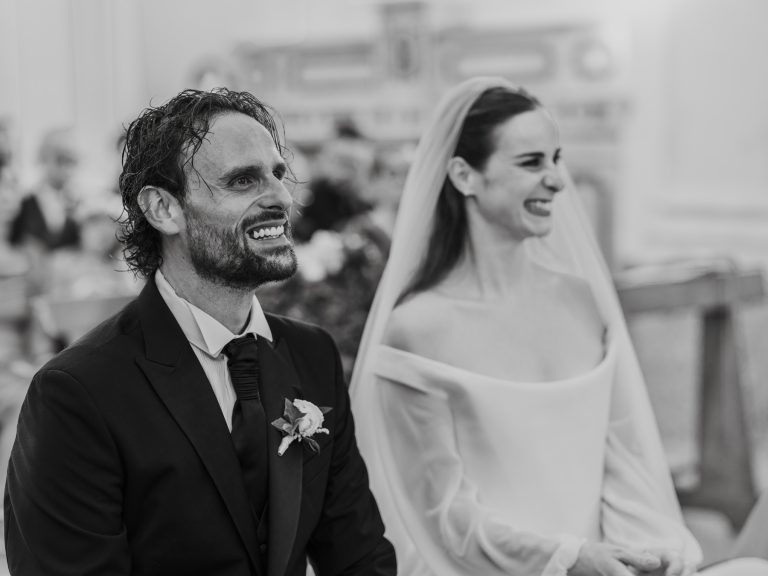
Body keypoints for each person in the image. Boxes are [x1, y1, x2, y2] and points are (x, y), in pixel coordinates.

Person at [349, 76, 768, 576]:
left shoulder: (582, 302)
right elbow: (447, 518)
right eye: (531, 162)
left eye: (556, 159)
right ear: (465, 176)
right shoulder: (417, 328)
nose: (557, 180)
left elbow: (624, 465)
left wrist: (650, 551)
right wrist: (567, 559)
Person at [4, 88, 396, 576]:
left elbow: (359, 556)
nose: (281, 197)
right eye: (243, 180)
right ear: (163, 208)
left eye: (278, 174)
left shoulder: (311, 354)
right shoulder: (78, 391)